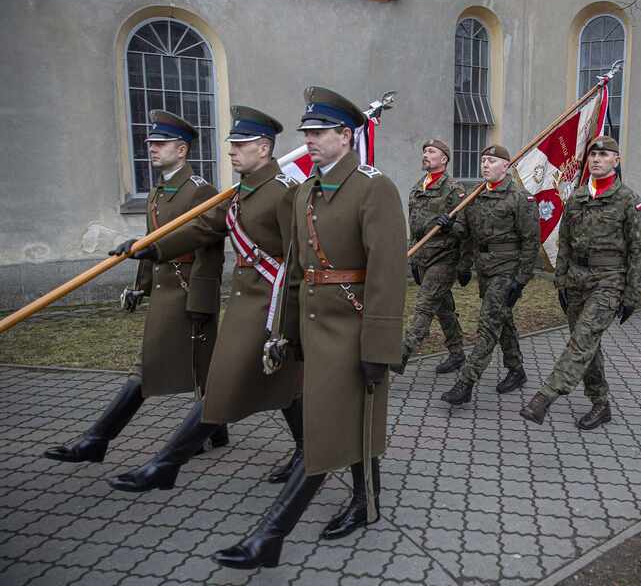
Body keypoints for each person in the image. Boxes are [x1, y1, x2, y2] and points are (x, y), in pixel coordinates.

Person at [212, 87, 406, 569]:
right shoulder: (305, 193)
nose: (310, 140)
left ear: (345, 135)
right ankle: (367, 504)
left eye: (319, 132)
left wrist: (378, 346)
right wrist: (288, 331)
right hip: (317, 329)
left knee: (324, 430)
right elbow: (296, 269)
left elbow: (387, 271)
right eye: (307, 133)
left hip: (355, 327)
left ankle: (270, 537)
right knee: (348, 417)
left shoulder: (373, 187)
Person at [106, 106, 304, 491]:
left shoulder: (283, 193)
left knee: (224, 383)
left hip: (270, 305)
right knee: (283, 385)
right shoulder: (243, 192)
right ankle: (307, 449)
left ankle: (166, 464)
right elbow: (202, 228)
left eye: (241, 143)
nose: (231, 150)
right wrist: (150, 248)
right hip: (244, 304)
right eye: (232, 143)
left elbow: (297, 258)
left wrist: (289, 322)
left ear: (263, 148)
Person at [45, 111, 227, 464]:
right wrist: (140, 286)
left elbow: (210, 248)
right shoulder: (158, 191)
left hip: (189, 291)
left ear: (182, 149)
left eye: (160, 144)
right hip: (164, 291)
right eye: (150, 144)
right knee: (205, 367)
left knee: (149, 369)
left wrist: (202, 299)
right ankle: (215, 429)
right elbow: (149, 244)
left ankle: (97, 439)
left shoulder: (201, 190)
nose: (152, 150)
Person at [520, 135, 641, 428]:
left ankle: (545, 397)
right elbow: (564, 243)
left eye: (604, 155)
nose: (596, 159)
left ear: (616, 161)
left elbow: (640, 250)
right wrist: (561, 281)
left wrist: (631, 295)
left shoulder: (630, 201)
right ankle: (600, 403)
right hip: (576, 281)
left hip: (609, 281)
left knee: (582, 340)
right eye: (593, 155)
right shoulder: (577, 198)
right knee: (588, 345)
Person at [439, 145, 540, 406]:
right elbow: (465, 232)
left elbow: (531, 242)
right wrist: (448, 226)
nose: (485, 165)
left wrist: (521, 279)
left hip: (507, 270)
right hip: (485, 270)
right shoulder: (475, 197)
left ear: (506, 166)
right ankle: (516, 370)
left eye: (492, 161)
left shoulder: (520, 198)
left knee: (488, 325)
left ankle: (466, 383)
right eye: (483, 160)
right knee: (502, 319)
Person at [392, 139, 468, 375]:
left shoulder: (454, 190)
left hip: (444, 259)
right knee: (443, 309)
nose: (426, 154)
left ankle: (400, 356)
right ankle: (457, 354)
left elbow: (466, 230)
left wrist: (449, 227)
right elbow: (414, 227)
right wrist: (414, 259)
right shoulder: (417, 188)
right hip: (422, 258)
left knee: (424, 306)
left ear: (443, 159)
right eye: (424, 151)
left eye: (431, 151)